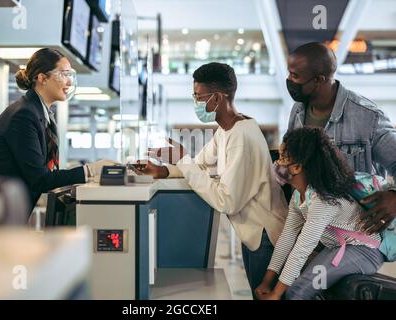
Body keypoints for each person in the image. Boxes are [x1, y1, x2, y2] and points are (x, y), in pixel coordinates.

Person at [137, 62, 288, 297]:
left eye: (198, 97)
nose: (195, 103)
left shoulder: (241, 136)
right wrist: (164, 171)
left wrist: (182, 159)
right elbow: (198, 164)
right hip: (255, 235)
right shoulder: (226, 130)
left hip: (266, 237)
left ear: (217, 98)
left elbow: (227, 201)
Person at [0, 48, 114, 211]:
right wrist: (90, 170)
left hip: (1, 207)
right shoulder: (23, 115)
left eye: (70, 75)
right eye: (63, 74)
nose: (69, 82)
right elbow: (41, 179)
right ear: (42, 78)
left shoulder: (39, 113)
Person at [256, 127, 385, 300]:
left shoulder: (323, 200)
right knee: (296, 286)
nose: (277, 163)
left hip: (364, 251)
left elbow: (302, 248)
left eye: (282, 158)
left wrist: (276, 294)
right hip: (339, 248)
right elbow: (287, 238)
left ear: (297, 167)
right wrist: (267, 281)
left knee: (297, 292)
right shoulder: (299, 195)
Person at [286, 42, 396, 234]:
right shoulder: (298, 111)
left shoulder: (367, 117)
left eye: (295, 76)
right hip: (312, 227)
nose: (289, 80)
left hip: (355, 230)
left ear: (318, 80)